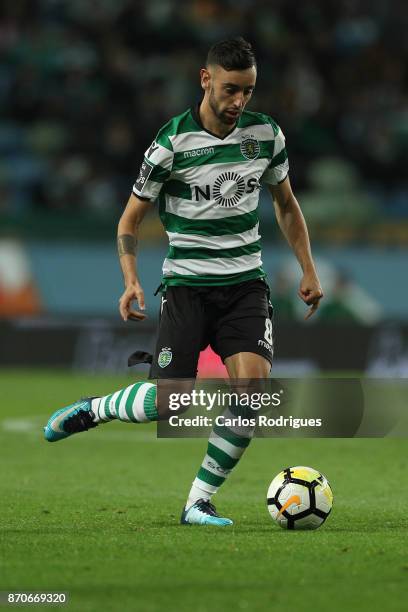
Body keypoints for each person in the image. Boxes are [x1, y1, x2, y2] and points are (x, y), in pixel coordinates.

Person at [44, 37, 323, 526]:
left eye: (249, 92)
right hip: (187, 288)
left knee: (253, 393)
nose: (239, 102)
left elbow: (285, 203)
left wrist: (308, 267)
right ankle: (96, 408)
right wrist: (131, 280)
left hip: (245, 286)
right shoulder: (170, 144)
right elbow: (130, 221)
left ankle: (198, 500)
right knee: (169, 403)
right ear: (206, 79)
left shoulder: (266, 135)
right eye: (231, 89)